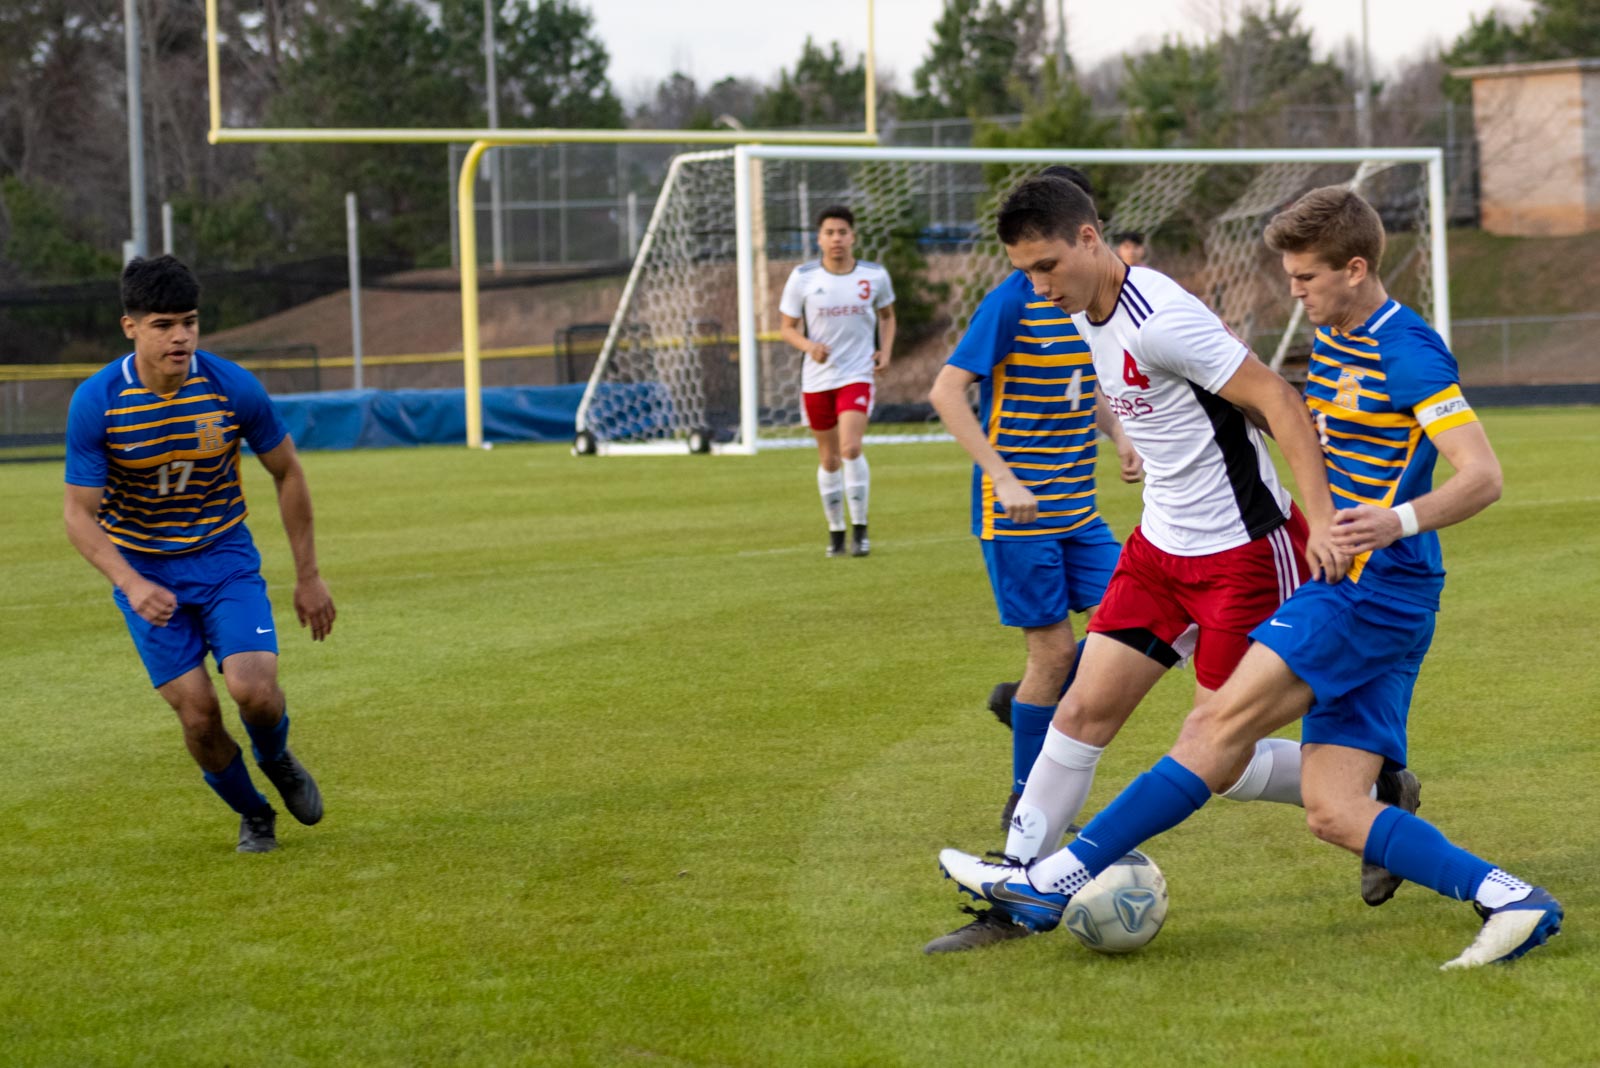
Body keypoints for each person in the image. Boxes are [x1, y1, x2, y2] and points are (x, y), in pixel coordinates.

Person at [938, 187, 1563, 970]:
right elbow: (1282, 411)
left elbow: (1483, 476)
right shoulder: (1335, 336)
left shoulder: (1407, 350)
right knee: (1333, 810)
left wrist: (1382, 522)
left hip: (1365, 584)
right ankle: (1514, 898)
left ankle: (1048, 883)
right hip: (1337, 579)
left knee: (1213, 735)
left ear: (1355, 268)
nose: (1291, 293)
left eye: (1304, 278)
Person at [923, 173, 1395, 953]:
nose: (1038, 287)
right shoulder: (1084, 309)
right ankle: (1014, 897)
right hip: (1158, 552)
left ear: (1088, 238)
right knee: (1080, 713)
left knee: (1224, 757)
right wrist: (1130, 439)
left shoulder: (1162, 318)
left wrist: (1320, 522)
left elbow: (1278, 400)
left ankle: (1373, 785)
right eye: (1025, 273)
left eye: (1047, 267)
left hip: (1243, 555)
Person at [64, 255, 334, 854]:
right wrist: (131, 583)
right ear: (130, 327)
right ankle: (254, 814)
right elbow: (78, 514)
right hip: (147, 573)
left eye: (189, 322)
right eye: (163, 325)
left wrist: (309, 577)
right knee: (199, 716)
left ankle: (276, 757)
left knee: (254, 691)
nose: (180, 337)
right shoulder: (98, 402)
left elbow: (288, 471)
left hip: (224, 559)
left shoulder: (231, 387)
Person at [929, 165, 1141, 850]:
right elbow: (945, 391)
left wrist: (1120, 436)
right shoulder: (1013, 302)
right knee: (1052, 655)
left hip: (1080, 508)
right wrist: (1004, 477)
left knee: (1140, 625)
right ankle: (1027, 803)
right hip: (1018, 515)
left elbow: (1089, 384)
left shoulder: (1093, 300)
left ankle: (1025, 702)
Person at [778, 206, 896, 557]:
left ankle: (860, 530)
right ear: (819, 238)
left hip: (857, 374)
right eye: (829, 233)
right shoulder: (803, 278)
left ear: (853, 236)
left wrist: (885, 351)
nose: (836, 239)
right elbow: (786, 328)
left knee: (851, 448)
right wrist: (809, 346)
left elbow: (888, 317)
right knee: (829, 459)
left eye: (842, 232)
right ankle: (836, 533)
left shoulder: (874, 276)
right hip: (817, 379)